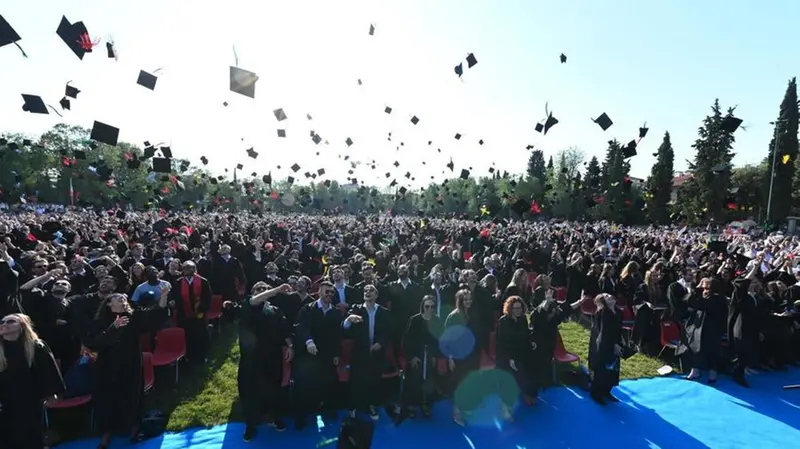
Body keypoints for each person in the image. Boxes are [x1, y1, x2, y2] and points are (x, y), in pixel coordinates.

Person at [86, 289, 171, 448]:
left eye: (125, 298)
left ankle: (133, 427)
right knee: (107, 399)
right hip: (107, 366)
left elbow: (155, 316)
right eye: (119, 297)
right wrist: (113, 328)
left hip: (130, 363)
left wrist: (164, 296)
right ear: (109, 303)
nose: (123, 299)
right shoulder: (100, 321)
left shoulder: (133, 317)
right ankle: (107, 432)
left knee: (131, 396)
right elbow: (94, 343)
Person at [232, 281, 294, 442]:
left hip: (272, 357)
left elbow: (284, 329)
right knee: (250, 392)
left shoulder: (275, 310)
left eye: (265, 289)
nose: (264, 291)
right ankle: (251, 425)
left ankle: (274, 417)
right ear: (253, 292)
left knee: (273, 389)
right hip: (251, 360)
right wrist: (277, 290)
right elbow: (255, 301)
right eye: (259, 289)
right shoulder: (247, 304)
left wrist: (290, 345)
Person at [0, 313, 65, 449]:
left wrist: (52, 393)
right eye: (2, 322)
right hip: (4, 400)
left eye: (10, 321)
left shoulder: (36, 346)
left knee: (29, 436)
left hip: (29, 398)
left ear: (22, 326)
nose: (4, 324)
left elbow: (48, 370)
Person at [293, 281, 343, 430]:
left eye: (332, 293)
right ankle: (301, 416)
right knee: (304, 385)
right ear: (319, 292)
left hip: (327, 354)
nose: (329, 295)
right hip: (309, 354)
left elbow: (337, 335)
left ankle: (328, 408)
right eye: (326, 292)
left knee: (328, 382)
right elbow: (301, 327)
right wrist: (309, 341)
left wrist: (336, 354)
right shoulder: (308, 309)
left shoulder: (334, 312)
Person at [342, 283, 391, 420]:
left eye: (371, 290)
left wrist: (380, 343)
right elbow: (344, 328)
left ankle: (371, 405)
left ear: (376, 295)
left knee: (373, 381)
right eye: (365, 290)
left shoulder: (384, 312)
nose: (368, 292)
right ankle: (354, 406)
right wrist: (348, 320)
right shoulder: (356, 309)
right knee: (356, 380)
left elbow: (388, 332)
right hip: (359, 353)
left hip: (376, 353)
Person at [443, 288, 480, 426]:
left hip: (472, 354)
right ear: (460, 301)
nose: (468, 302)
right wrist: (450, 357)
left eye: (470, 299)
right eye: (465, 300)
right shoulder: (453, 317)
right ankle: (457, 413)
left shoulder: (473, 314)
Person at [401, 295, 443, 418]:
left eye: (432, 306)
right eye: (427, 306)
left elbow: (439, 339)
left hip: (430, 356)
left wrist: (435, 355)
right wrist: (411, 357)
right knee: (413, 381)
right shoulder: (414, 320)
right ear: (422, 307)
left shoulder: (437, 320)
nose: (429, 309)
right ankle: (410, 405)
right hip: (416, 355)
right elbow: (406, 340)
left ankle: (425, 403)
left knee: (429, 381)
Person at [681, 278, 728, 383]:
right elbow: (690, 302)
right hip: (704, 327)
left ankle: (709, 373)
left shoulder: (716, 298)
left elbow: (698, 304)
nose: (702, 286)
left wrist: (691, 289)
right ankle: (698, 371)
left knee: (709, 350)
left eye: (705, 284)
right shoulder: (714, 296)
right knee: (699, 349)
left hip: (709, 328)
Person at [496, 296, 535, 414]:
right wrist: (510, 358)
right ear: (510, 309)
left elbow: (524, 335)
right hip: (506, 356)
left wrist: (531, 342)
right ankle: (505, 408)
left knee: (524, 376)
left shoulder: (523, 319)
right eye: (515, 308)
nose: (517, 310)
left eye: (519, 308)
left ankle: (525, 394)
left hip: (520, 354)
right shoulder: (503, 322)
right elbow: (502, 343)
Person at [169, 260, 212, 364]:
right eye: (186, 268)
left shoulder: (203, 281)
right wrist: (173, 302)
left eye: (191, 267)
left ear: (195, 269)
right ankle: (188, 356)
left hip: (199, 314)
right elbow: (174, 296)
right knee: (187, 336)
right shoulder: (178, 282)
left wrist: (202, 308)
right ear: (182, 270)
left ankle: (202, 356)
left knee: (201, 335)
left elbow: (207, 298)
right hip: (184, 315)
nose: (189, 269)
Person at [588, 293, 624, 405]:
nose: (610, 296)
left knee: (613, 369)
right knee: (602, 370)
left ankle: (606, 391)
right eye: (606, 296)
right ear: (603, 301)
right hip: (603, 344)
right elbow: (603, 333)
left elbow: (618, 330)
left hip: (615, 343)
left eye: (610, 295)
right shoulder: (603, 313)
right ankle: (596, 394)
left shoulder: (618, 312)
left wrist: (618, 343)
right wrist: (613, 344)